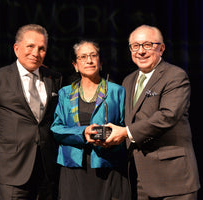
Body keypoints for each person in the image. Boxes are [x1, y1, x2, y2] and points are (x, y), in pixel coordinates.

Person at [105, 25, 200, 200]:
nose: (140, 51)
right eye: (135, 46)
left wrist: (125, 132)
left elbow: (167, 116)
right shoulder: (128, 80)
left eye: (147, 45)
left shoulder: (175, 76)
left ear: (161, 48)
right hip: (139, 179)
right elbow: (128, 121)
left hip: (173, 179)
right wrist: (109, 136)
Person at [0, 24, 62, 200]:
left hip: (46, 171)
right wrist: (1, 151)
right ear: (16, 48)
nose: (36, 53)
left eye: (42, 48)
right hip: (11, 171)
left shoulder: (54, 78)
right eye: (30, 46)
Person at [50, 40, 130, 200]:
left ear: (100, 62)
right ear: (75, 65)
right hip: (73, 167)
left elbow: (126, 127)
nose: (89, 60)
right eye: (83, 57)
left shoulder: (117, 91)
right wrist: (83, 132)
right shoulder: (65, 93)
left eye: (93, 56)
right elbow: (56, 128)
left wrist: (114, 139)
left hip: (108, 165)